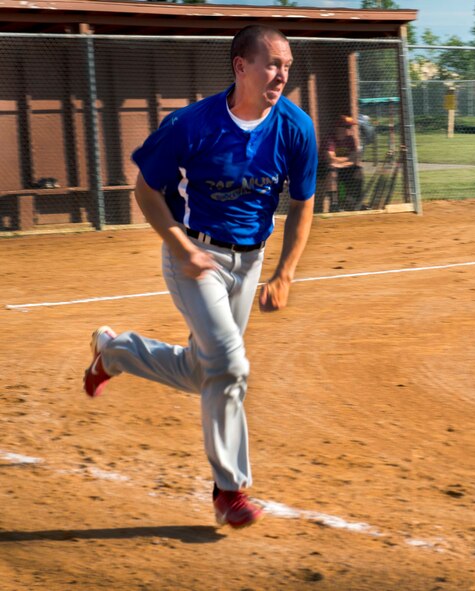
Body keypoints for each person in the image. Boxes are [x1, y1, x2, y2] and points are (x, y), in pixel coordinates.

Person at [82, 24, 318, 529]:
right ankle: (229, 490)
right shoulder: (191, 125)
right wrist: (182, 248)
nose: (282, 75)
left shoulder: (296, 128)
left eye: (288, 67)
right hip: (196, 258)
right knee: (229, 365)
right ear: (241, 66)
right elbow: (146, 192)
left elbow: (303, 203)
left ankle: (115, 352)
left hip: (250, 261)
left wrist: (286, 273)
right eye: (273, 64)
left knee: (201, 370)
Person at [326, 115, 364, 211]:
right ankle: (335, 204)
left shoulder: (350, 139)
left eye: (350, 127)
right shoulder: (331, 139)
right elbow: (330, 158)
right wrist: (346, 160)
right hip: (335, 169)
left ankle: (355, 203)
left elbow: (354, 158)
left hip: (347, 167)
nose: (350, 129)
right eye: (348, 127)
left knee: (358, 172)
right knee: (332, 173)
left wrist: (340, 162)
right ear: (340, 128)